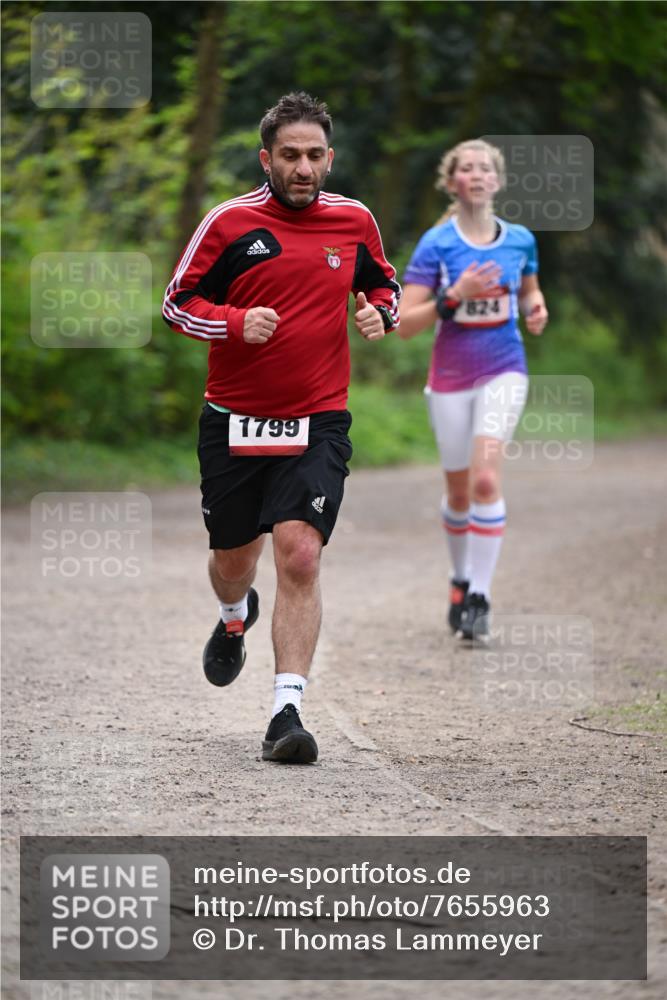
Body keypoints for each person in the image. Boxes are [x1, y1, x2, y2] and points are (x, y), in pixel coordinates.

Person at [163, 92, 400, 763]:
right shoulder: (229, 222)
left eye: (314, 155)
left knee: (299, 552)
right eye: (289, 155)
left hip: (318, 417)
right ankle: (234, 616)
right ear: (266, 158)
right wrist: (237, 322)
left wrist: (379, 314)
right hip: (233, 421)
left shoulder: (353, 220)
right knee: (233, 561)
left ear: (330, 158)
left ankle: (285, 713)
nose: (303, 167)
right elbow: (177, 305)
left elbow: (382, 283)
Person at [397, 139, 548, 640]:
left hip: (505, 367)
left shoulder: (521, 239)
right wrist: (453, 296)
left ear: (497, 181)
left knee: (486, 480)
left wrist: (535, 309)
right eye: (467, 168)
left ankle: (479, 596)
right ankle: (460, 578)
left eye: (486, 168)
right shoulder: (436, 244)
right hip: (450, 378)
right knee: (459, 493)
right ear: (452, 182)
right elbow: (404, 325)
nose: (478, 175)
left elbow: (528, 290)